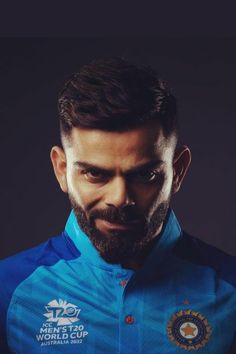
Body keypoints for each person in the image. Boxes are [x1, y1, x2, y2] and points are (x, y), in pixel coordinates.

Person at [0, 57, 235, 354]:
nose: (120, 198)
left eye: (145, 174)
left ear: (179, 171)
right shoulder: (7, 292)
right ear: (62, 170)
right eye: (95, 174)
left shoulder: (230, 289)